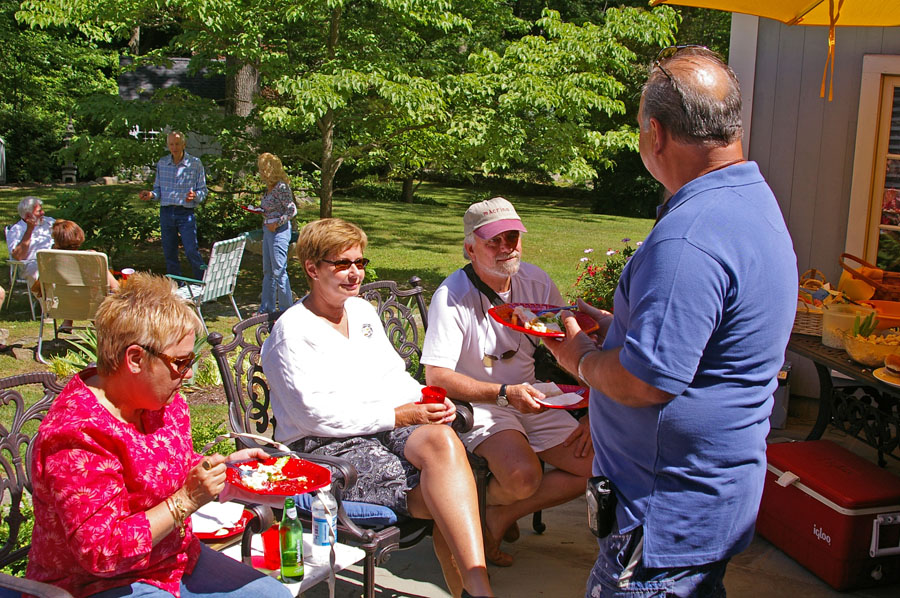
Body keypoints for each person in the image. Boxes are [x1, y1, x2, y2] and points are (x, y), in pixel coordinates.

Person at [545, 46, 798, 597]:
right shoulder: (750, 199)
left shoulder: (690, 236)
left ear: (654, 134)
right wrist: (617, 324)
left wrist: (580, 359)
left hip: (663, 520)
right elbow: (705, 338)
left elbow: (646, 380)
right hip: (712, 499)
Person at [260, 218, 494, 598]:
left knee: (443, 442)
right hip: (323, 447)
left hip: (379, 424)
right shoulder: (293, 332)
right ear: (312, 269)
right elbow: (314, 416)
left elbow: (392, 374)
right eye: (342, 264)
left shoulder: (362, 312)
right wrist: (399, 416)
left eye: (360, 263)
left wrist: (427, 399)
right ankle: (475, 590)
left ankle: (477, 587)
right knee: (445, 492)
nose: (355, 273)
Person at [26, 273, 291, 598]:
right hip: (95, 585)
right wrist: (187, 499)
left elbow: (165, 467)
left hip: (172, 560)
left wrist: (223, 469)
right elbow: (101, 552)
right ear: (135, 359)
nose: (189, 372)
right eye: (180, 362)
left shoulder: (163, 403)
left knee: (273, 595)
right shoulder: (78, 433)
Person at [421, 197, 593, 567]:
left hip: (534, 394)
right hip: (483, 402)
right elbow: (436, 376)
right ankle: (482, 503)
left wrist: (596, 401)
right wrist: (502, 394)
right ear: (470, 248)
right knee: (522, 478)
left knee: (599, 466)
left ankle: (499, 514)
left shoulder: (535, 281)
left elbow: (564, 342)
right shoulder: (452, 297)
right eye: (492, 241)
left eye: (512, 237)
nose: (505, 248)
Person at [139, 131, 207, 280]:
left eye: (177, 144)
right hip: (167, 212)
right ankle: (175, 285)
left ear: (184, 144)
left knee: (191, 250)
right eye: (171, 144)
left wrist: (195, 196)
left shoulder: (195, 164)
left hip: (185, 213)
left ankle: (203, 282)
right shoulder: (162, 163)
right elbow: (158, 190)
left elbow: (203, 191)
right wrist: (151, 195)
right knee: (169, 251)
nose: (174, 147)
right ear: (168, 145)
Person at [256, 152, 297, 314]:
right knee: (268, 271)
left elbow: (292, 209)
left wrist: (278, 222)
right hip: (268, 230)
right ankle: (266, 308)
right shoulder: (269, 188)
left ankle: (287, 310)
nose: (259, 172)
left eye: (261, 169)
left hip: (279, 231)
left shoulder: (281, 187)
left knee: (279, 271)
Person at [6, 195, 55, 286]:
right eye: (39, 211)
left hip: (53, 260)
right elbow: (18, 256)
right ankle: (44, 299)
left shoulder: (49, 222)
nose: (43, 213)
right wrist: (30, 230)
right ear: (28, 215)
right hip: (31, 264)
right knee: (36, 268)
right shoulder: (17, 230)